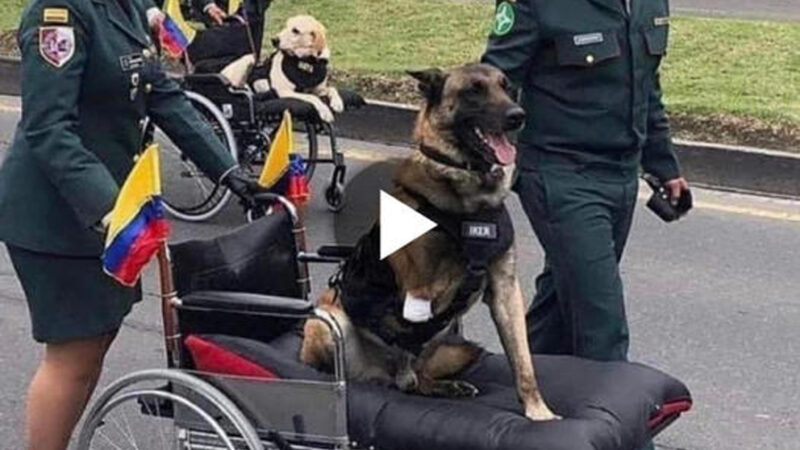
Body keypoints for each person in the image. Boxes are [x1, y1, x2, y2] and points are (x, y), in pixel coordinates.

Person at [0, 0, 262, 448]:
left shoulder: (128, 6)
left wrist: (229, 171)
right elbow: (48, 129)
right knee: (72, 355)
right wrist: (110, 209)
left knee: (95, 342)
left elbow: (163, 96)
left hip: (110, 212)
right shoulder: (59, 12)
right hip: (57, 215)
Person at [482, 0, 690, 406]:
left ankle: (502, 411)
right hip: (560, 175)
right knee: (602, 325)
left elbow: (646, 86)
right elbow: (490, 84)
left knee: (560, 311)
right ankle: (623, 433)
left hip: (621, 175)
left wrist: (663, 164)